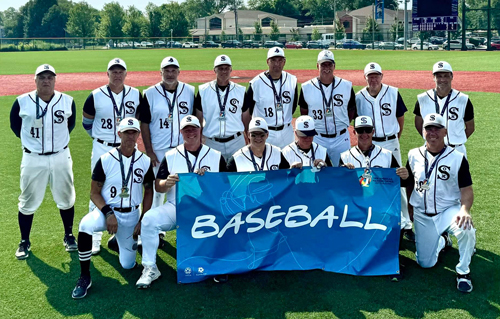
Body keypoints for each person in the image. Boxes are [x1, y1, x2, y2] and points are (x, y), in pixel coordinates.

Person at [136, 115, 226, 288]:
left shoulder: (215, 156)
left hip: (206, 209)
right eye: (187, 129)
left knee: (226, 219)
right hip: (176, 206)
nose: (191, 132)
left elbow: (224, 188)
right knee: (148, 220)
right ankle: (150, 268)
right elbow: (158, 186)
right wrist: (166, 182)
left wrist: (208, 181)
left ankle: (217, 264)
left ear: (200, 130)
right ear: (181, 132)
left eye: (194, 128)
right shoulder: (171, 156)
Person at [72, 118, 154, 299]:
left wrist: (143, 220)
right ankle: (85, 276)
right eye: (127, 132)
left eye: (134, 132)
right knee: (85, 225)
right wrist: (108, 214)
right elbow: (94, 193)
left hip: (132, 215)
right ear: (119, 134)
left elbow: (149, 191)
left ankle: (117, 241)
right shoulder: (105, 159)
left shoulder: (145, 161)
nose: (130, 137)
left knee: (128, 265)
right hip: (107, 212)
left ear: (138, 135)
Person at [10, 64, 77, 260]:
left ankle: (69, 235)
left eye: (49, 77)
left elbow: (70, 125)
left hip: (60, 156)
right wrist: (32, 144)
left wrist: (56, 144)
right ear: (35, 80)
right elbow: (15, 126)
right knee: (28, 200)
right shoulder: (22, 102)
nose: (46, 80)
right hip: (33, 158)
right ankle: (24, 241)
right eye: (42, 77)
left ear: (55, 80)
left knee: (66, 197)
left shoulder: (67, 101)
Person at [406, 113, 476, 293]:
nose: (433, 132)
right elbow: (409, 184)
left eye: (437, 129)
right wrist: (410, 207)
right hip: (422, 214)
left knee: (467, 227)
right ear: (423, 131)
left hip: (448, 211)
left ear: (445, 131)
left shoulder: (457, 157)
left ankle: (463, 272)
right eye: (429, 128)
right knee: (425, 263)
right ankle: (443, 241)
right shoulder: (413, 154)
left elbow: (466, 189)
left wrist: (464, 210)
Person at [82, 58, 142, 255]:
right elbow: (86, 123)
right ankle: (95, 238)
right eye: (113, 71)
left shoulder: (135, 94)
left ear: (126, 74)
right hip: (103, 148)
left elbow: (141, 121)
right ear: (107, 74)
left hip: (128, 150)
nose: (117, 75)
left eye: (120, 71)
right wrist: (102, 139)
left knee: (130, 187)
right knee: (98, 189)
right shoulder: (95, 95)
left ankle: (127, 232)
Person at [355, 62, 414, 241]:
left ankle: (406, 223)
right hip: (369, 144)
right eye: (370, 76)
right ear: (365, 78)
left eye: (376, 75)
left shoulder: (393, 92)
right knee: (369, 180)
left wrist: (395, 138)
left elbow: (400, 118)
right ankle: (372, 217)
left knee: (398, 181)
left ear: (382, 76)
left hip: (390, 141)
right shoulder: (359, 97)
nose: (373, 79)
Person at [139, 56, 195, 208]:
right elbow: (144, 123)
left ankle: (182, 220)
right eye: (166, 71)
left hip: (182, 148)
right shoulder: (150, 93)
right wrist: (149, 150)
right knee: (159, 190)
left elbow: (195, 120)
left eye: (173, 71)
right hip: (158, 149)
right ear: (160, 72)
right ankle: (154, 227)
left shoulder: (189, 91)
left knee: (184, 186)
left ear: (179, 72)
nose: (170, 74)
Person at [299, 50, 356, 166]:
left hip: (341, 138)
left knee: (343, 171)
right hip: (318, 138)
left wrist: (342, 124)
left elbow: (351, 109)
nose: (326, 68)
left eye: (329, 64)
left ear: (334, 66)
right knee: (317, 172)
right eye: (323, 64)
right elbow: (304, 113)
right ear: (317, 66)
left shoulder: (346, 85)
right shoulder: (307, 87)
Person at [414, 61, 475, 158]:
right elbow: (418, 124)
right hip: (431, 149)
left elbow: (470, 128)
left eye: (446, 76)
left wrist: (457, 140)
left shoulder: (463, 99)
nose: (442, 79)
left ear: (452, 77)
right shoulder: (423, 98)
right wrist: (430, 138)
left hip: (456, 150)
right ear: (434, 77)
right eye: (439, 76)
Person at [195, 55, 250, 161]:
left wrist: (248, 138)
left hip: (236, 141)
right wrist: (199, 140)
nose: (224, 71)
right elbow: (199, 119)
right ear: (214, 70)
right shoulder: (203, 91)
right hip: (212, 142)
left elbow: (246, 118)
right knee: (214, 174)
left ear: (231, 69)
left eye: (226, 68)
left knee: (238, 174)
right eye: (220, 68)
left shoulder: (241, 91)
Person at [245, 47, 298, 148]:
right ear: (267, 62)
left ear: (284, 62)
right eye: (273, 60)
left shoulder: (292, 81)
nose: (277, 64)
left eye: (280, 60)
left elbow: (293, 106)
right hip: (264, 133)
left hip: (286, 132)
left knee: (288, 162)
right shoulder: (256, 83)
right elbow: (248, 112)